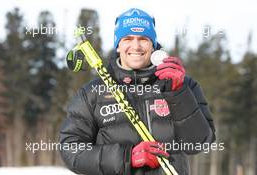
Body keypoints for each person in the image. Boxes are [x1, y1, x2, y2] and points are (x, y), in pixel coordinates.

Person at [60, 8, 215, 175]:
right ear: (118, 46)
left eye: (143, 39)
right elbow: (71, 150)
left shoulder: (181, 84)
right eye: (127, 38)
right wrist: (126, 157)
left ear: (153, 45)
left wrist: (178, 93)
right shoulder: (92, 93)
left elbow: (199, 143)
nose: (136, 45)